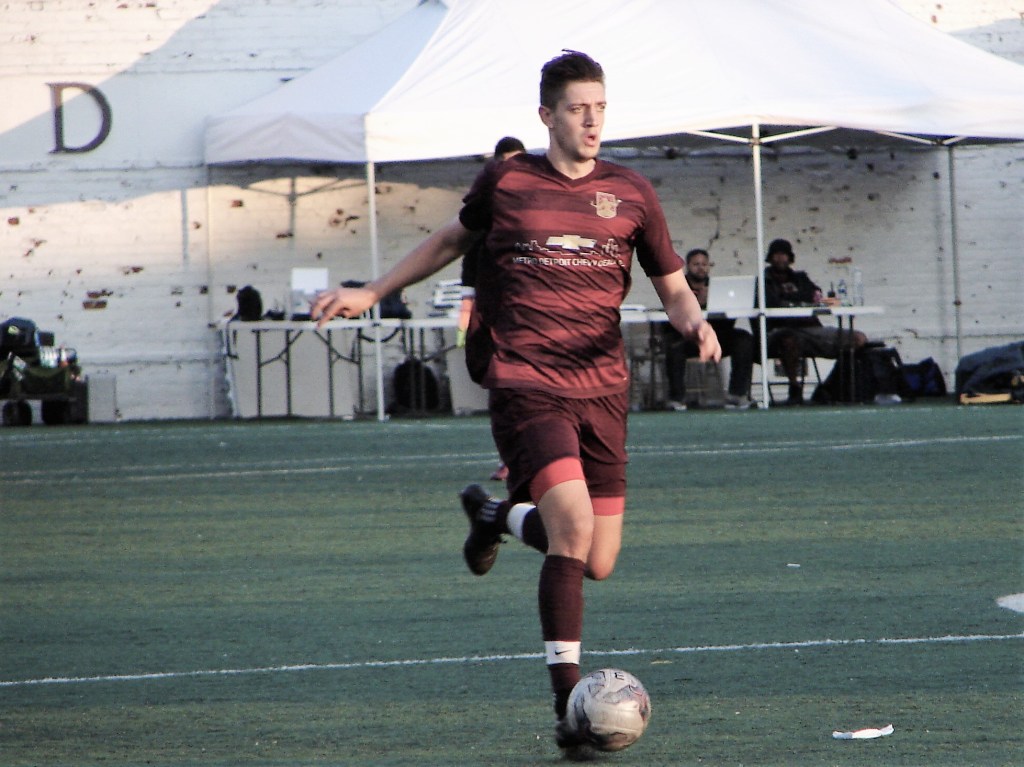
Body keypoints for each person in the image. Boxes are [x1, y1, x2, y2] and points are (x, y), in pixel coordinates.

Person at [311, 50, 720, 756]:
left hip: (603, 388)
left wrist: (695, 322)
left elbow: (673, 284)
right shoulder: (508, 180)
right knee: (572, 526)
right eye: (577, 108)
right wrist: (372, 291)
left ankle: (495, 515)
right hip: (527, 381)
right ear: (546, 115)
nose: (591, 120)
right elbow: (450, 239)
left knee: (598, 559)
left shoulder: (631, 192)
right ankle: (570, 709)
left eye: (600, 107)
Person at [458, 136, 526, 484]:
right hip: (493, 310)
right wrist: (467, 304)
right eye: (506, 164)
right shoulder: (486, 208)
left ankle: (532, 458)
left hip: (531, 312)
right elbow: (464, 252)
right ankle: (511, 457)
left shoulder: (537, 205)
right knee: (501, 384)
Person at [759, 238, 866, 404]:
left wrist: (791, 298)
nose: (780, 258)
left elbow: (814, 294)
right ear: (770, 257)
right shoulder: (764, 281)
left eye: (784, 255)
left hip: (811, 328)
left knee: (858, 339)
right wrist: (798, 298)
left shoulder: (800, 277)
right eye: (777, 255)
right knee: (789, 341)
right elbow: (773, 302)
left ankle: (831, 386)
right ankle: (794, 389)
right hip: (781, 330)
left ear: (790, 257)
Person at [662, 248, 754, 410]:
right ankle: (677, 398)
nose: (701, 268)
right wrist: (696, 304)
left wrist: (716, 303)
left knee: (743, 338)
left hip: (715, 337)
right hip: (687, 338)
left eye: (704, 264)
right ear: (687, 266)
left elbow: (727, 321)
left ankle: (737, 393)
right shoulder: (677, 287)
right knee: (674, 346)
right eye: (696, 264)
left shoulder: (718, 288)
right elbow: (670, 319)